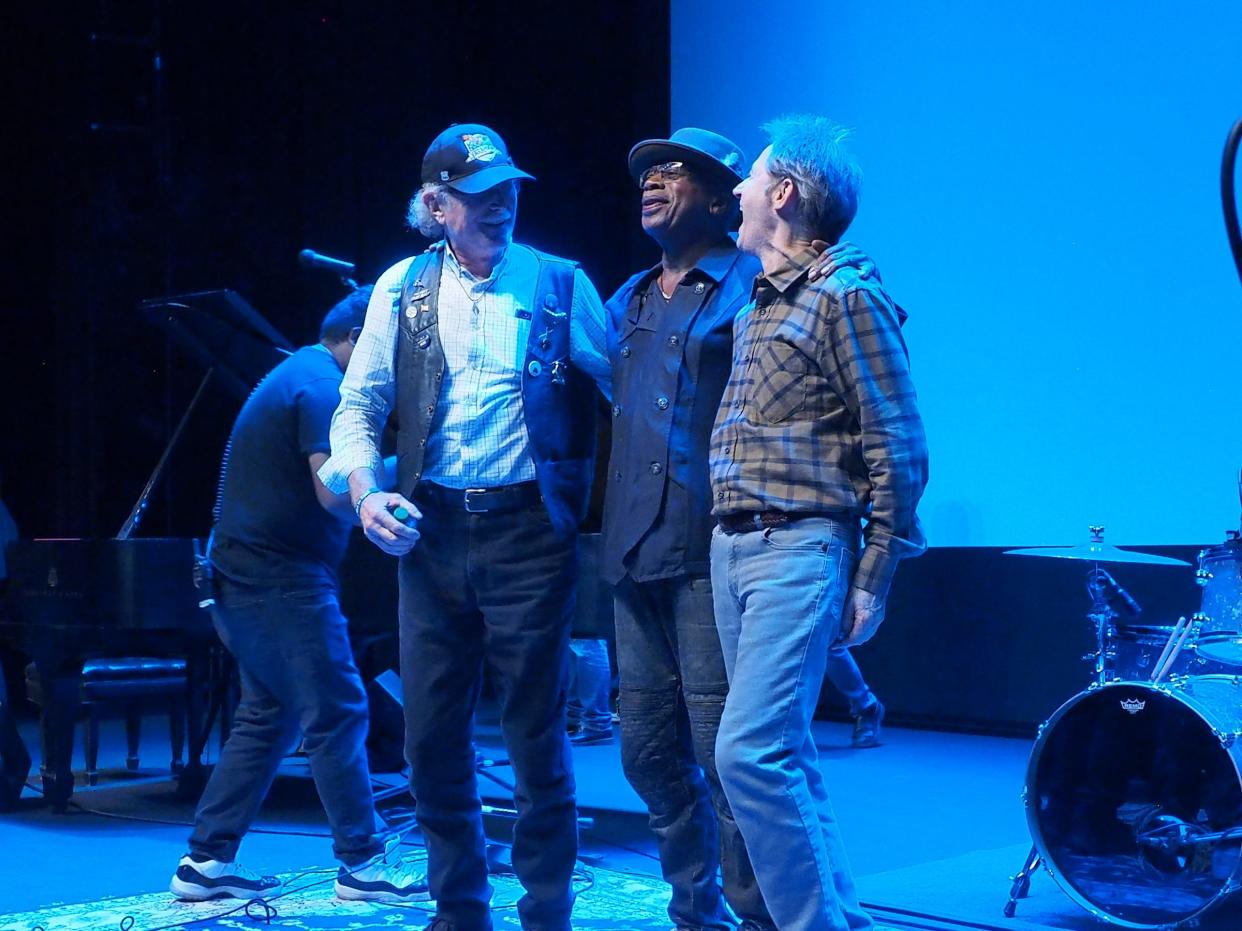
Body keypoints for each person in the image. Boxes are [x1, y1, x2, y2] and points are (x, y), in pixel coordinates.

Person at [319, 123, 610, 931]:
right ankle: (459, 912)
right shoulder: (399, 289)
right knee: (432, 740)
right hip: (433, 532)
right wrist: (366, 491)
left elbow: (630, 386)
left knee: (536, 734)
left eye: (509, 190)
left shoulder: (559, 282)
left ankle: (547, 909)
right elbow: (360, 405)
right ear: (437, 204)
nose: (502, 207)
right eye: (481, 196)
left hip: (529, 533)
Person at [603, 127, 874, 931]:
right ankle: (699, 911)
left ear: (728, 200)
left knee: (739, 758)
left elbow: (878, 433)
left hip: (714, 547)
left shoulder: (752, 288)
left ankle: (763, 916)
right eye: (646, 171)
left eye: (674, 172)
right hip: (635, 554)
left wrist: (876, 561)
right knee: (648, 753)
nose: (652, 182)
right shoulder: (629, 298)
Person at [709, 115, 929, 931]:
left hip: (798, 545)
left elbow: (898, 445)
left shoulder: (848, 295)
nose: (735, 189)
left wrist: (874, 573)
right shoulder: (758, 303)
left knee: (751, 752)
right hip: (734, 546)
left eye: (751, 176)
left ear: (785, 194)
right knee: (784, 754)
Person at [170, 287, 428, 904]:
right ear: (360, 338)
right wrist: (410, 461)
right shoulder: (321, 387)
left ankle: (204, 864)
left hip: (242, 573)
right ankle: (363, 864)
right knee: (338, 709)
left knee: (269, 715)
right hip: (277, 578)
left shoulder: (300, 372)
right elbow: (335, 496)